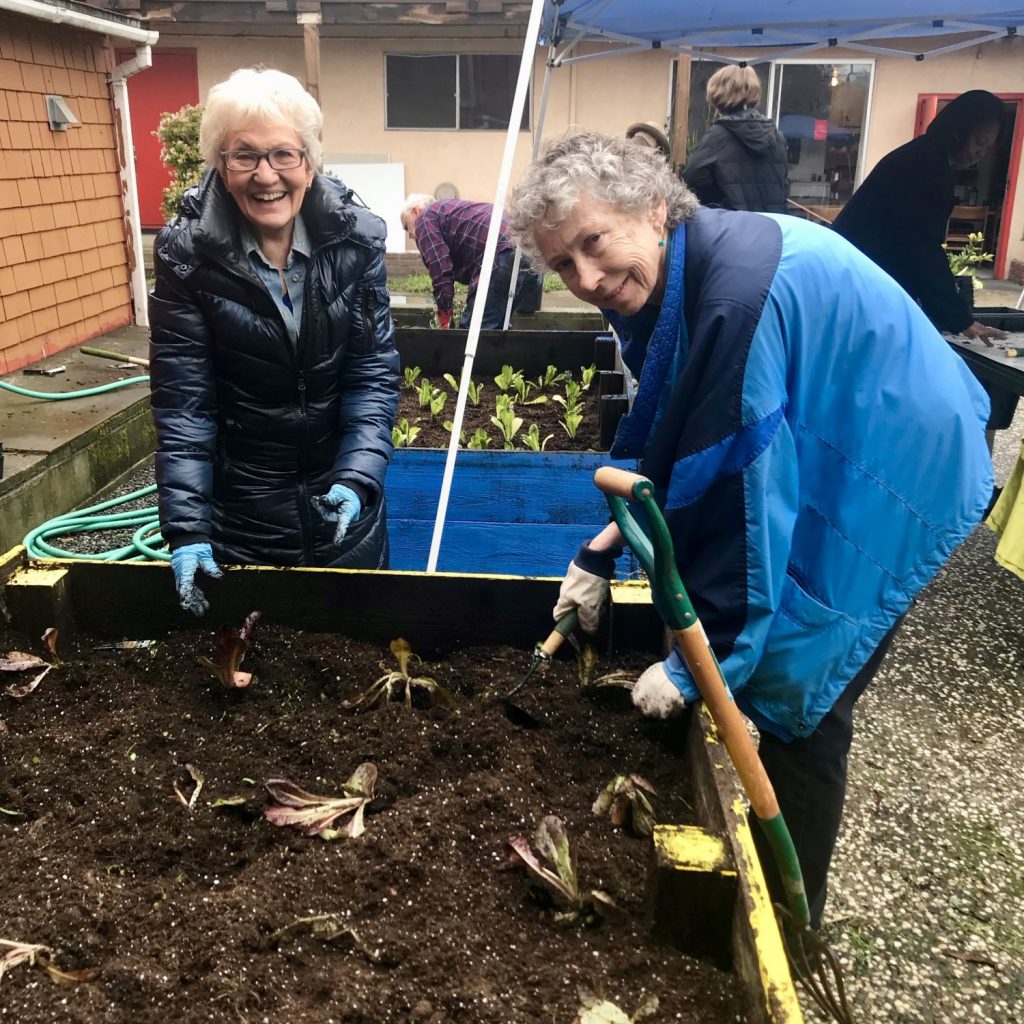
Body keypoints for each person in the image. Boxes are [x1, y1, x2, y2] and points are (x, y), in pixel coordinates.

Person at [507, 132, 991, 927]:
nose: (586, 279)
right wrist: (602, 548)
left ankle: (787, 926)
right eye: (563, 264)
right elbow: (674, 434)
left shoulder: (731, 299)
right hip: (840, 422)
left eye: (593, 243)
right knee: (770, 644)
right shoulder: (680, 274)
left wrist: (699, 669)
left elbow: (738, 498)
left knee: (804, 687)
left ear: (653, 207)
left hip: (896, 458)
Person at [149, 67, 400, 616]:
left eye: (284, 154)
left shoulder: (357, 244)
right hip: (243, 522)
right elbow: (185, 403)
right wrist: (187, 527)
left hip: (345, 513)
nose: (267, 175)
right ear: (221, 166)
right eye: (245, 155)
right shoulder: (187, 259)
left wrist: (357, 478)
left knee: (356, 647)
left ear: (309, 162)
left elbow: (372, 374)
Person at [832, 90, 1007, 344]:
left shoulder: (923, 156)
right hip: (856, 284)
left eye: (987, 148)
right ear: (958, 130)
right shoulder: (924, 168)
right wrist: (960, 319)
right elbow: (922, 249)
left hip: (855, 278)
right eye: (979, 143)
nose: (981, 153)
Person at [399, 195, 543, 329]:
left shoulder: (424, 218)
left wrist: (444, 314)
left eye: (406, 227)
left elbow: (440, 269)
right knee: (497, 326)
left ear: (416, 211)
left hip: (499, 253)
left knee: (473, 332)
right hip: (528, 249)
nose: (410, 235)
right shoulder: (452, 211)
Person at [681, 64, 788, 213]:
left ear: (718, 95)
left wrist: (718, 200)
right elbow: (782, 184)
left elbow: (692, 180)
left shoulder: (717, 137)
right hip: (773, 223)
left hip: (733, 222)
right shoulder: (777, 137)